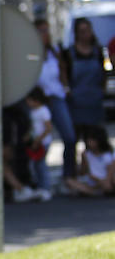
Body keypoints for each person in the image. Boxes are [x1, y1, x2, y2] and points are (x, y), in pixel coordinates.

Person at [34, 18, 78, 182]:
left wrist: (66, 88)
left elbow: (63, 73)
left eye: (46, 30)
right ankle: (41, 181)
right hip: (39, 103)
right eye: (41, 31)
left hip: (57, 98)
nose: (45, 35)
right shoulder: (30, 54)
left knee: (70, 137)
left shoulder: (55, 51)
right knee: (41, 141)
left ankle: (68, 176)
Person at [66, 18, 107, 132]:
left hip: (95, 100)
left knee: (96, 136)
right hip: (77, 102)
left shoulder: (98, 51)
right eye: (82, 31)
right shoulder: (69, 53)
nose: (86, 34)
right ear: (77, 34)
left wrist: (102, 91)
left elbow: (104, 73)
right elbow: (64, 74)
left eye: (87, 30)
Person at [65, 125, 114, 196]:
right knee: (69, 181)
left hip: (108, 179)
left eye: (92, 140)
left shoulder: (109, 152)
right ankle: (96, 191)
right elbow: (84, 172)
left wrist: (106, 180)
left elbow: (111, 169)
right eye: (88, 139)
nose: (89, 142)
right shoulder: (86, 154)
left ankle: (99, 190)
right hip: (94, 181)